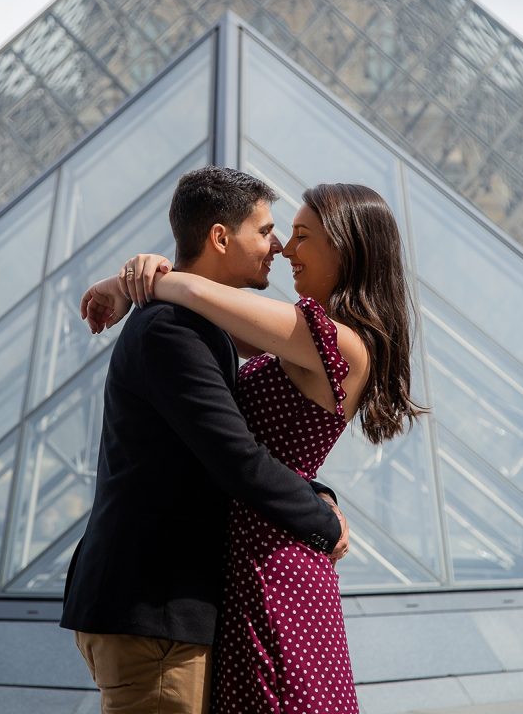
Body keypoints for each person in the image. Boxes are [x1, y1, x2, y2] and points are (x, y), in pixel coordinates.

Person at [85, 178, 422, 714]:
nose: (285, 247)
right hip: (250, 562)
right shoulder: (302, 334)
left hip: (275, 571)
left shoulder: (335, 340)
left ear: (345, 247)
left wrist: (131, 281)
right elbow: (205, 303)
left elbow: (194, 292)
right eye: (277, 233)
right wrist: (136, 279)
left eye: (301, 235)